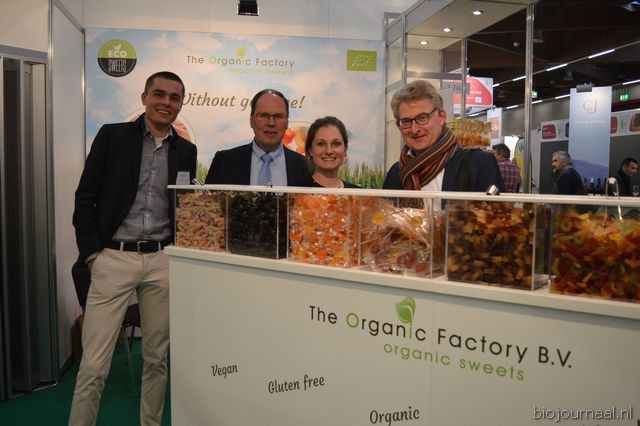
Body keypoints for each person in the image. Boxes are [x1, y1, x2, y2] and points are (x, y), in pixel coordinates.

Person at [69, 71, 197, 426]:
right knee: (94, 364)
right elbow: (85, 198)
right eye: (159, 94)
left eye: (174, 97)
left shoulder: (186, 150)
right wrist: (93, 256)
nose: (166, 102)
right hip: (113, 258)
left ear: (181, 104)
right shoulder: (113, 136)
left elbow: (184, 206)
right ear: (144, 98)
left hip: (161, 260)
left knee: (156, 359)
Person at [382, 80, 503, 193]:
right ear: (399, 126)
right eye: (406, 121)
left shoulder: (478, 164)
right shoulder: (396, 173)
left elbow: (495, 209)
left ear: (441, 117)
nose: (414, 129)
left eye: (422, 118)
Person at [204, 88, 310, 185]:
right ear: (251, 121)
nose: (271, 123)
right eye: (264, 116)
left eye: (278, 116)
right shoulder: (223, 162)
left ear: (287, 122)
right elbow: (209, 200)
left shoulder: (306, 166)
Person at [301, 116, 360, 188]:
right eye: (321, 144)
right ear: (310, 150)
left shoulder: (359, 193)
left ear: (345, 149)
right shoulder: (295, 192)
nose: (329, 151)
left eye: (336, 144)